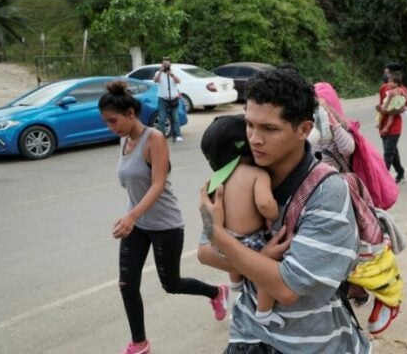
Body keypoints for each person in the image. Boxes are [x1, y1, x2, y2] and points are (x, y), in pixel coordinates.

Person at [199, 68, 370, 354]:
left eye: (270, 129)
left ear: (304, 129)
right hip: (249, 334)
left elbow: (287, 288)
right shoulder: (238, 170)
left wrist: (220, 236)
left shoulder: (326, 191)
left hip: (312, 343)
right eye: (249, 125)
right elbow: (204, 251)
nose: (254, 139)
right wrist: (263, 260)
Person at [98, 80, 227, 354]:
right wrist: (132, 217)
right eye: (107, 122)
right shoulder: (125, 140)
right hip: (138, 224)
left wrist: (131, 215)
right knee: (127, 283)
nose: (111, 127)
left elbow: (158, 184)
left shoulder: (153, 138)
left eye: (113, 120)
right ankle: (140, 343)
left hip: (165, 225)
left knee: (172, 284)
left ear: (131, 113)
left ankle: (216, 292)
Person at [200, 114, 284, 327]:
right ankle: (264, 312)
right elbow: (265, 204)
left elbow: (211, 225)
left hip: (222, 243)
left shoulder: (215, 181)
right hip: (250, 243)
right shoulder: (257, 174)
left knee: (233, 246)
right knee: (268, 267)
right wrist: (272, 215)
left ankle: (235, 281)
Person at [309, 82, 355, 172]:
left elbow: (347, 149)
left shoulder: (339, 127)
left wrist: (330, 118)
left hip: (340, 179)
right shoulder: (308, 128)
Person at [376, 70, 407, 184]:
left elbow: (404, 107)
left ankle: (383, 180)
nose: (388, 81)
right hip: (383, 124)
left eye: (390, 76)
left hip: (394, 127)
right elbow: (381, 104)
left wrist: (390, 111)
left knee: (388, 153)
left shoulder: (402, 90)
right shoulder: (383, 88)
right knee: (392, 152)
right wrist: (380, 109)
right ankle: (400, 172)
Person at [153, 57, 183, 143]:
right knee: (162, 118)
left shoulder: (174, 73)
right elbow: (155, 80)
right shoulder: (158, 73)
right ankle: (160, 136)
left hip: (173, 99)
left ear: (170, 64)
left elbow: (178, 81)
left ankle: (177, 135)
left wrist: (171, 74)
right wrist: (161, 71)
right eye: (164, 64)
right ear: (162, 64)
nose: (166, 65)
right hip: (163, 99)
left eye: (167, 64)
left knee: (175, 118)